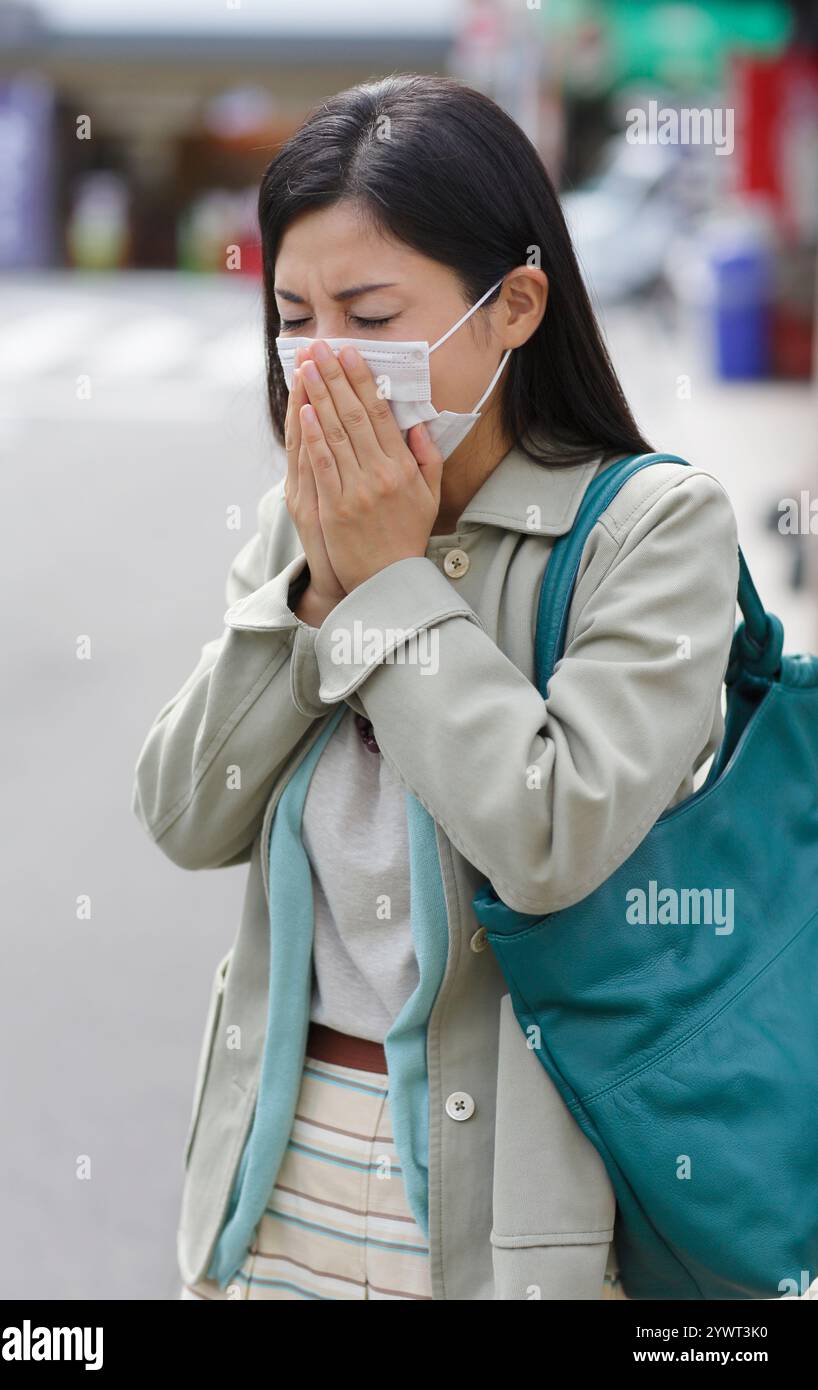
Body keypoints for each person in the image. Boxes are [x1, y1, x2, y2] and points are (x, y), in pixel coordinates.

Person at [131, 74, 740, 1301]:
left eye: (367, 312)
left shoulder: (649, 529)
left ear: (512, 305)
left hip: (511, 1204)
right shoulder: (298, 531)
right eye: (293, 316)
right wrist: (313, 590)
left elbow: (548, 836)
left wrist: (394, 584)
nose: (323, 363)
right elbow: (187, 813)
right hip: (272, 1176)